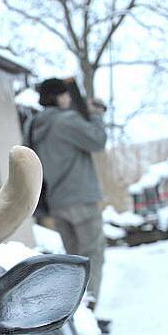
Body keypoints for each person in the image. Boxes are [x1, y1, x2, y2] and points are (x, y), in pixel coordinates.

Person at [26, 77, 107, 310]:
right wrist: (96, 115)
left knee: (74, 261)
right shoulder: (66, 120)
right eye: (66, 94)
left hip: (57, 203)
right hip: (81, 199)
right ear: (59, 97)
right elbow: (97, 140)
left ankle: (76, 312)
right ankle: (88, 314)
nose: (69, 98)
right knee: (92, 256)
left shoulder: (33, 125)